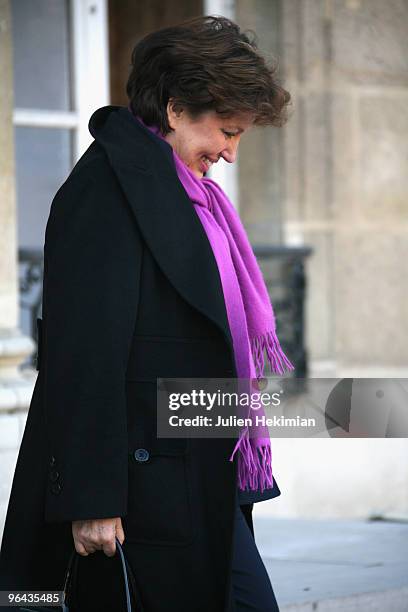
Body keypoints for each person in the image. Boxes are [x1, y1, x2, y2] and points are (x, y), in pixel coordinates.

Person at [0, 15, 293, 612]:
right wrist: (93, 497)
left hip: (202, 464)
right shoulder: (107, 191)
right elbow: (83, 354)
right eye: (227, 131)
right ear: (178, 106)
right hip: (140, 490)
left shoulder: (194, 198)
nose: (232, 153)